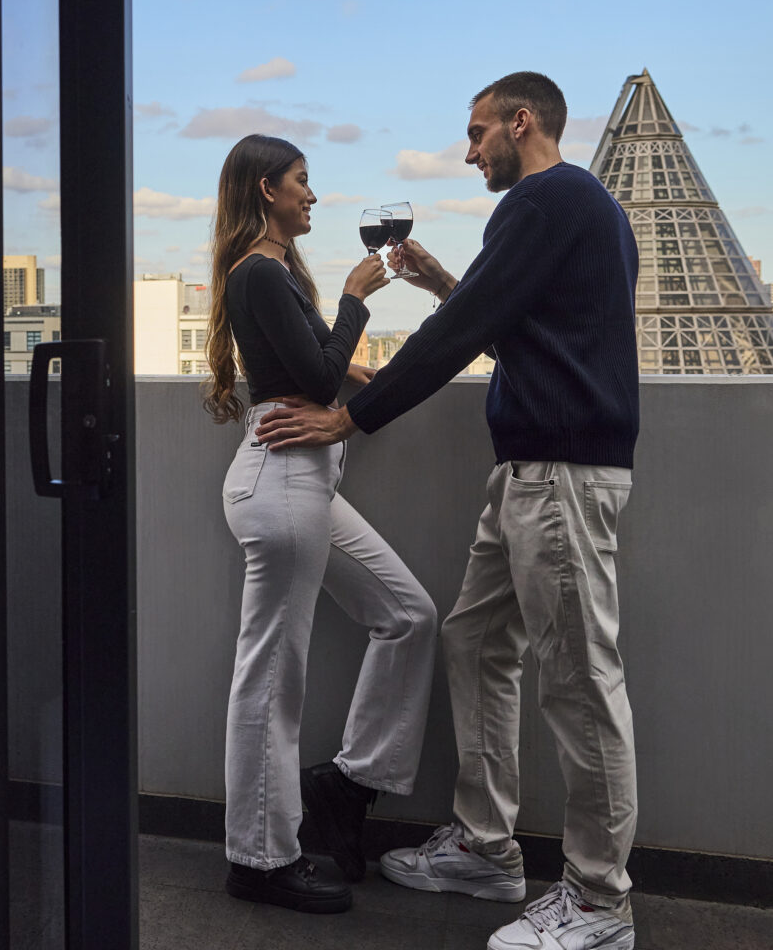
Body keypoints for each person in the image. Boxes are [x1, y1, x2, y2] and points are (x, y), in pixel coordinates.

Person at [255, 73, 642, 950]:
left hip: (563, 474)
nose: (469, 153)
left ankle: (598, 900)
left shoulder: (544, 200)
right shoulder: (585, 207)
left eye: (476, 135)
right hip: (531, 473)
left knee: (582, 684)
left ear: (521, 122)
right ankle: (484, 847)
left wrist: (351, 413)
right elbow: (519, 326)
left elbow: (465, 333)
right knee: (474, 641)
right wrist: (445, 285)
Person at [207, 134, 440, 915]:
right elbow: (308, 375)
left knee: (409, 615)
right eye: (303, 183)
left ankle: (346, 785)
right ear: (267, 189)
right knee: (271, 677)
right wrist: (353, 299)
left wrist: (351, 367)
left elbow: (306, 366)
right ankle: (261, 858)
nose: (313, 195)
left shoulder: (269, 275)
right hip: (283, 483)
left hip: (304, 481)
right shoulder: (261, 271)